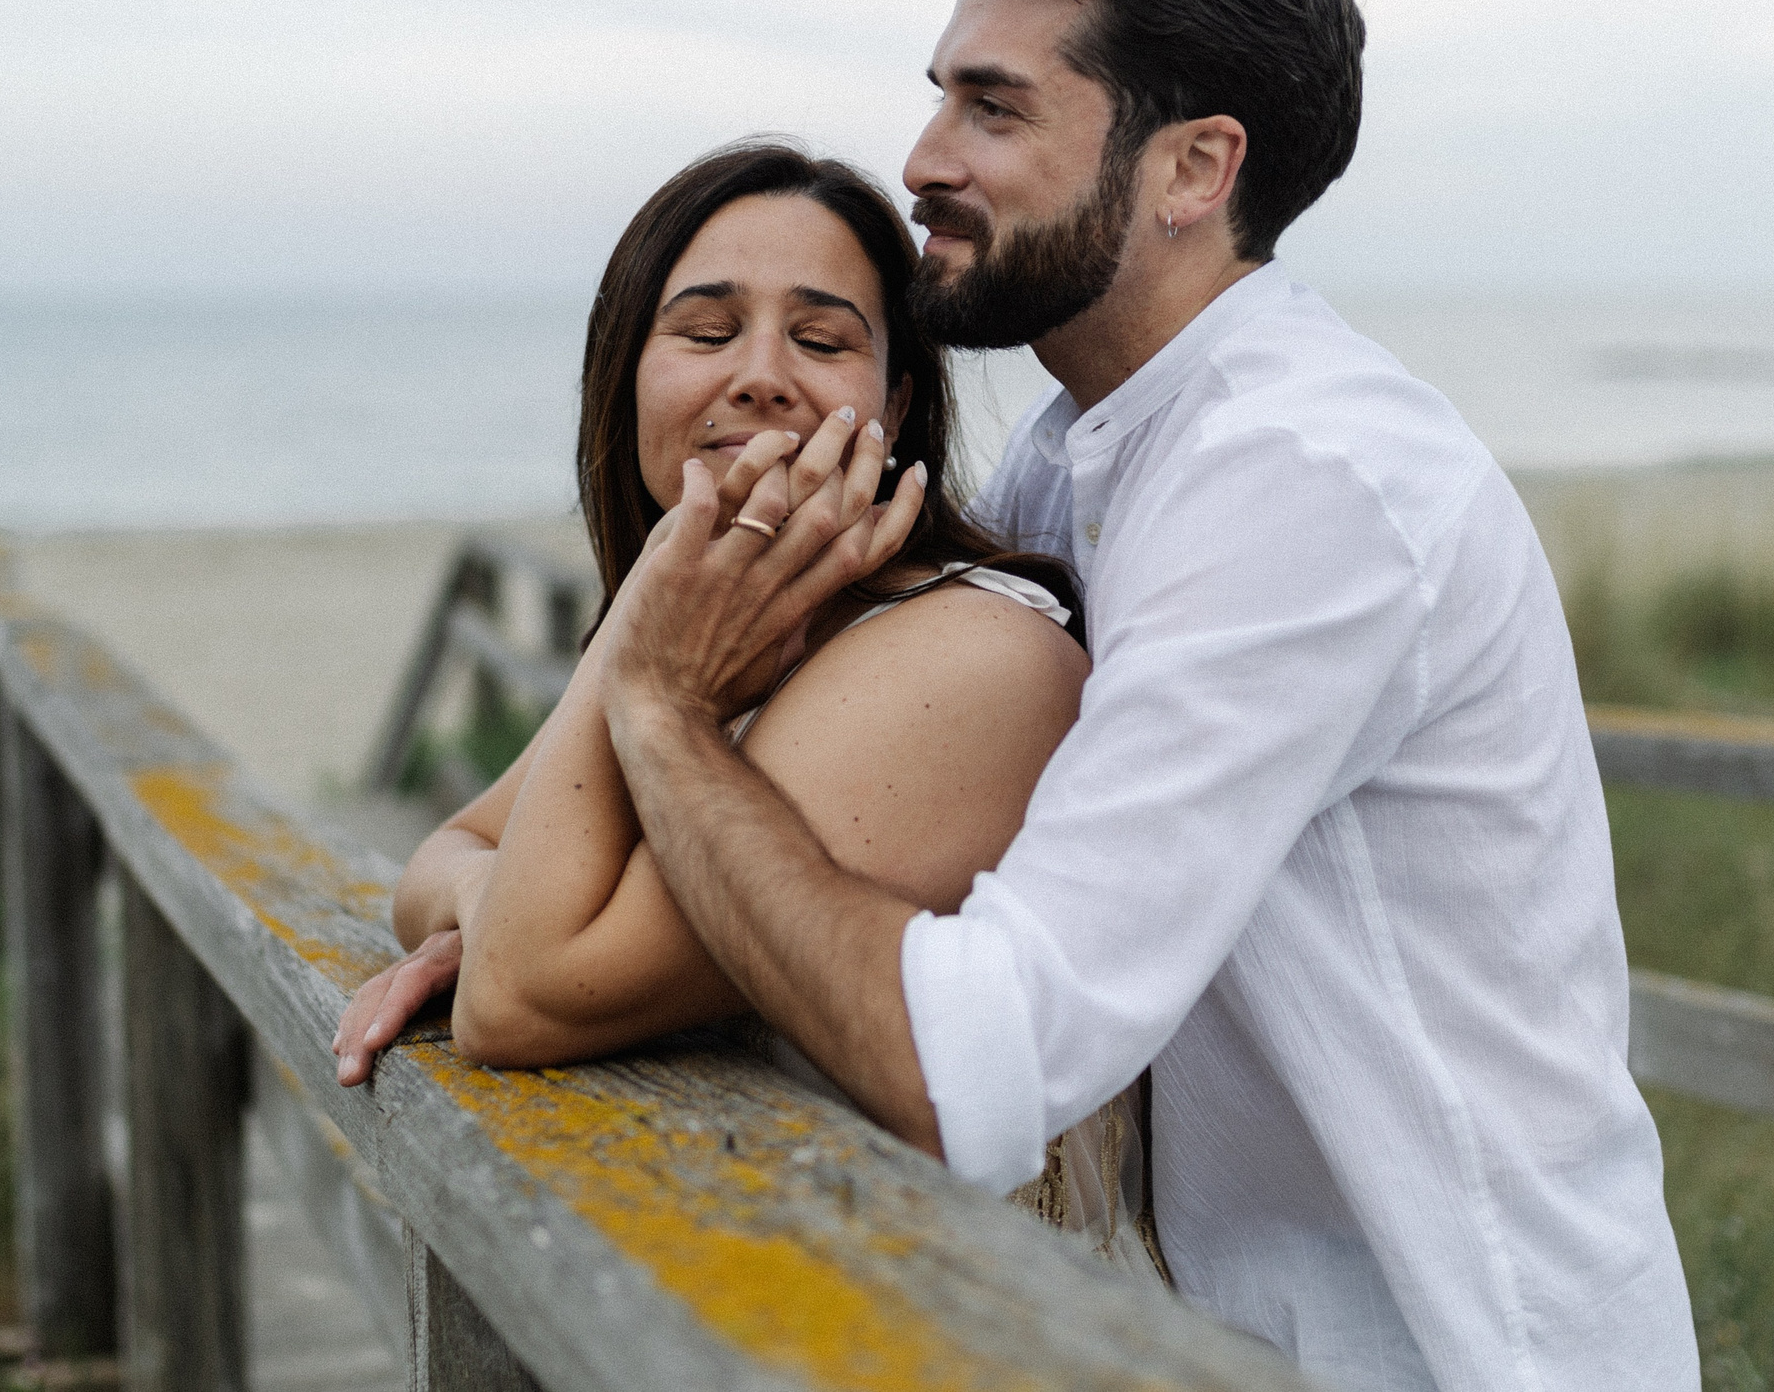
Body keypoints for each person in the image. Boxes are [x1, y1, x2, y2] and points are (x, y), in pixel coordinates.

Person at [569, 0, 1701, 1391]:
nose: (922, 159)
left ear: (1193, 167)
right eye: (939, 99)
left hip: (1458, 1349)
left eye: (994, 108)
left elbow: (971, 1068)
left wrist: (658, 715)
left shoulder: (1303, 482)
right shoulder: (1082, 449)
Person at [336, 139, 1165, 1276]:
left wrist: (634, 684)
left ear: (895, 401)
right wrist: (497, 897)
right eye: (705, 332)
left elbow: (520, 997)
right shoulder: (706, 621)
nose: (762, 377)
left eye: (822, 341)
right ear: (626, 378)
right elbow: (447, 851)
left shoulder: (974, 656)